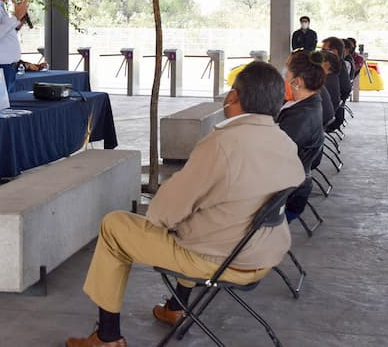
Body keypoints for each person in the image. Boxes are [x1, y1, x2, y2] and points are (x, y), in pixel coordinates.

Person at [65, 61, 305, 347]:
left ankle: (106, 337)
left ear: (233, 97)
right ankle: (176, 307)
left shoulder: (221, 145)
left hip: (218, 259)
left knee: (116, 225)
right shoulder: (285, 143)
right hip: (262, 255)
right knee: (197, 219)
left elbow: (162, 212)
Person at [277, 50, 327, 221]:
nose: (283, 79)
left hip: (285, 196)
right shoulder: (302, 103)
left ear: (297, 82)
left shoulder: (302, 117)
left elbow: (273, 156)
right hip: (288, 185)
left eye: (286, 74)